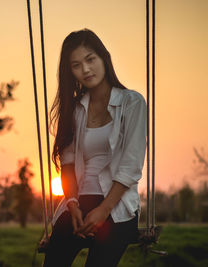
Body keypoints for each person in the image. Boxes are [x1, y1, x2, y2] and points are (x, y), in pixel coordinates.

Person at [43, 28, 147, 267]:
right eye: (76, 65)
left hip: (116, 205)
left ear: (104, 58)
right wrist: (72, 204)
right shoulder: (74, 109)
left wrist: (103, 210)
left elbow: (131, 165)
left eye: (90, 59)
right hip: (78, 203)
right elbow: (67, 165)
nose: (86, 70)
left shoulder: (132, 103)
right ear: (70, 71)